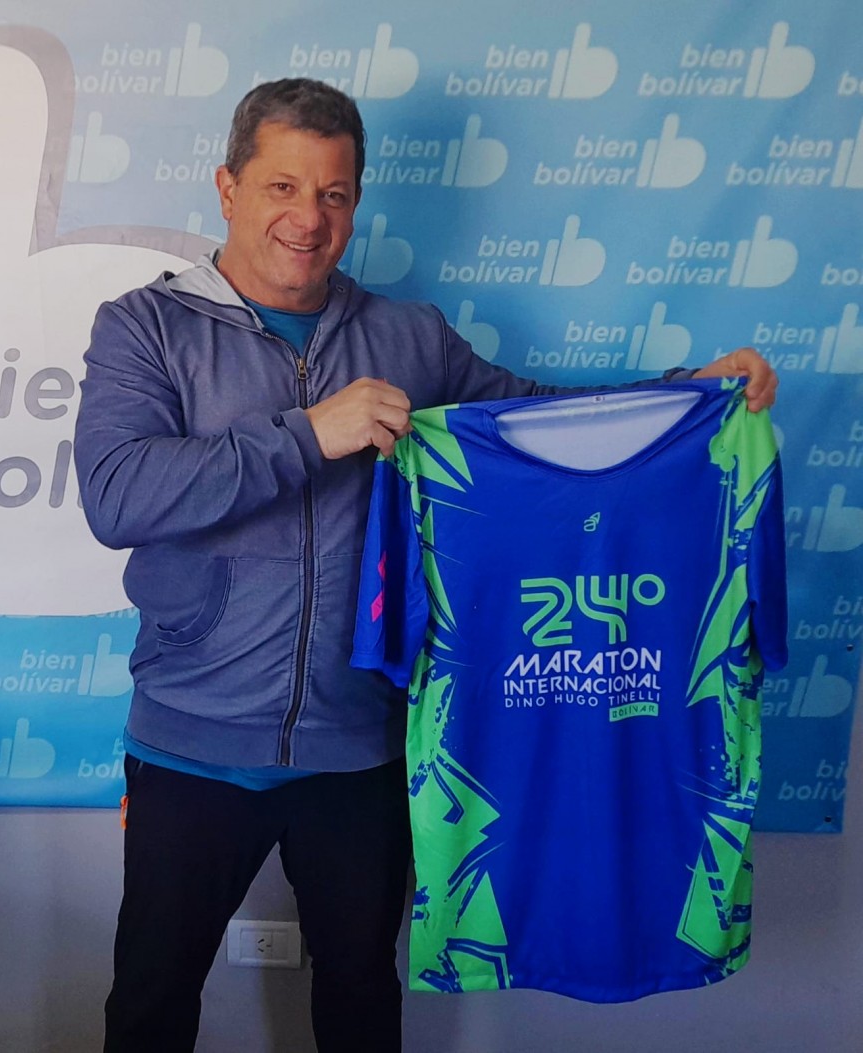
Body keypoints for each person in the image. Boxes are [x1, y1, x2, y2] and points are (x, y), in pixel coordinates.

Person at [74, 77, 778, 1053]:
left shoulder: (408, 336)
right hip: (190, 746)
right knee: (151, 1003)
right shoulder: (144, 326)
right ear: (228, 189)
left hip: (364, 749)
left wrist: (683, 396)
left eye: (333, 194)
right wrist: (309, 434)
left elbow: (532, 427)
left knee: (362, 996)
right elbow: (118, 495)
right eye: (282, 188)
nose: (308, 219)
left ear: (355, 201)